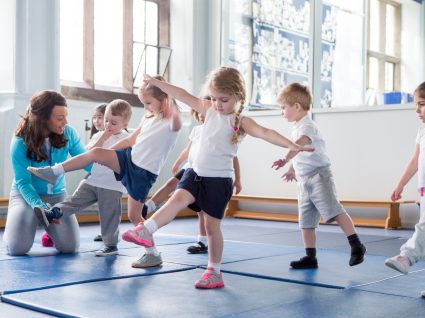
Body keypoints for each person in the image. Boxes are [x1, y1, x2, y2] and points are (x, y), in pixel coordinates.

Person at [120, 67, 313, 289]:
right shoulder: (208, 109)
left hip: (218, 181)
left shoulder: (241, 122)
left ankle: (214, 271)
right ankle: (147, 229)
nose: (218, 104)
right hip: (195, 173)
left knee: (212, 228)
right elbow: (183, 95)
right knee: (176, 199)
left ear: (238, 97)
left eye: (224, 99)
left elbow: (266, 133)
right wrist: (159, 84)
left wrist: (293, 146)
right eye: (213, 98)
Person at [28, 76, 182, 268]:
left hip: (143, 173)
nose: (146, 107)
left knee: (135, 216)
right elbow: (129, 141)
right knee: (95, 153)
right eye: (143, 104)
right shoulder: (148, 117)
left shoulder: (172, 121)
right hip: (128, 160)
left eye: (148, 103)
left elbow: (174, 107)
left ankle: (152, 254)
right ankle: (54, 172)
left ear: (165, 100)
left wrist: (163, 87)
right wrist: (106, 155)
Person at [272, 83, 366, 269]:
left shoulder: (307, 126)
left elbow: (298, 145)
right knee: (306, 221)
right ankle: (310, 256)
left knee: (334, 210)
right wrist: (292, 168)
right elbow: (299, 152)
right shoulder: (297, 126)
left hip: (319, 177)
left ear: (296, 106)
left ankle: (356, 245)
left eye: (283, 108)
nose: (281, 112)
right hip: (304, 180)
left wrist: (284, 158)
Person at [34, 100, 131, 257]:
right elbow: (88, 155)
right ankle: (53, 213)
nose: (108, 125)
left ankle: (110, 245)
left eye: (113, 122)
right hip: (92, 180)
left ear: (125, 123)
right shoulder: (99, 135)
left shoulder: (127, 139)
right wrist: (103, 137)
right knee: (74, 200)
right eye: (106, 120)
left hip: (112, 185)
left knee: (109, 214)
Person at [142, 109, 242, 254]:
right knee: (171, 184)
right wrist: (178, 162)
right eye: (199, 111)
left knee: (202, 211)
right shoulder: (196, 130)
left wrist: (238, 179)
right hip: (190, 168)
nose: (201, 114)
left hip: (208, 174)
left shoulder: (221, 132)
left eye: (205, 111)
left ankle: (202, 241)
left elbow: (234, 157)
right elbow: (188, 149)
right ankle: (148, 206)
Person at [3, 90, 85, 255]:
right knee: (17, 249)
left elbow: (86, 161)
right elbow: (23, 182)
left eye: (65, 116)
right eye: (59, 118)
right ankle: (19, 225)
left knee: (70, 247)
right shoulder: (20, 141)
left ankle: (49, 231)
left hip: (57, 196)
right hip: (25, 196)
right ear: (42, 119)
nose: (65, 122)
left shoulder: (68, 133)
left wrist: (112, 173)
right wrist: (40, 208)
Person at [384, 82, 425, 298]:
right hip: (424, 189)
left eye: (422, 104)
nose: (417, 110)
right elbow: (416, 160)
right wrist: (400, 184)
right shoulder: (422, 130)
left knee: (424, 227)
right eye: (416, 105)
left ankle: (406, 257)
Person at [89, 103, 107, 242]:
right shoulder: (96, 136)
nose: (96, 121)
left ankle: (106, 232)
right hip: (95, 174)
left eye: (100, 117)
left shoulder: (118, 136)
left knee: (106, 206)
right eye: (94, 117)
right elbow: (87, 152)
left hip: (109, 178)